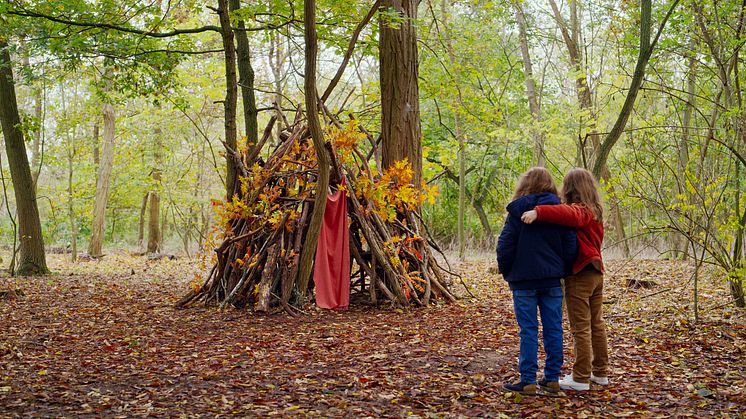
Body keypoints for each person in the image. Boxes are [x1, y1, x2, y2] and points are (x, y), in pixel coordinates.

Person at [521, 167, 609, 391]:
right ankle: (600, 372)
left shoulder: (582, 210)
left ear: (570, 188)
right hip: (596, 272)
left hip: (581, 273)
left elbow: (570, 214)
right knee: (595, 324)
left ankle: (580, 377)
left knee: (581, 327)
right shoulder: (595, 210)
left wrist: (538, 212)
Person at [497, 167, 577, 396]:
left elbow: (504, 247)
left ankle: (528, 380)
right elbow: (570, 246)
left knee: (528, 330)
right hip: (552, 280)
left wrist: (508, 272)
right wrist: (563, 269)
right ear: (550, 186)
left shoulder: (516, 213)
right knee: (553, 328)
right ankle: (552, 378)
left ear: (525, 185)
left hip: (523, 281)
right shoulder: (560, 213)